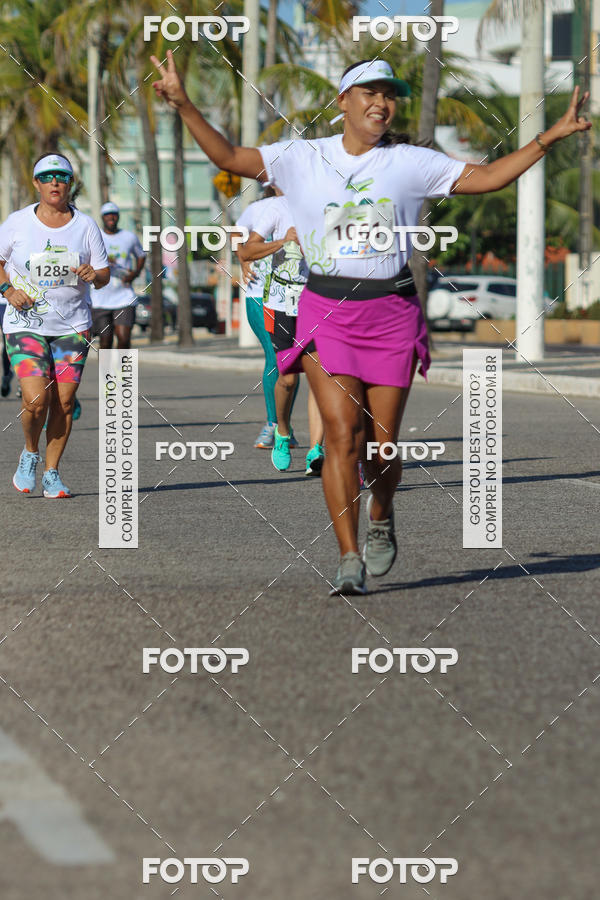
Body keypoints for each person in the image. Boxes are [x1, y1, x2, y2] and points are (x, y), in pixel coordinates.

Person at [151, 50, 591, 594]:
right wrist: (183, 104)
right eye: (370, 93)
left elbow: (491, 177)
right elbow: (228, 156)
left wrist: (549, 137)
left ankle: (381, 513)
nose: (381, 103)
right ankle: (348, 557)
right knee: (341, 435)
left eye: (389, 95)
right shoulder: (302, 157)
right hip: (326, 310)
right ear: (343, 101)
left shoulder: (410, 162)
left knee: (382, 447)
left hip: (391, 313)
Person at [0, 152, 109, 497]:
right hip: (25, 323)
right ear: (36, 183)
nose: (54, 182)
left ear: (70, 183)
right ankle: (30, 452)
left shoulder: (85, 226)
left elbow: (104, 273)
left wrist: (94, 275)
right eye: (47, 177)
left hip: (72, 325)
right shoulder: (17, 222)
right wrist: (8, 290)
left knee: (63, 401)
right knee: (36, 399)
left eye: (61, 176)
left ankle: (51, 472)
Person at [241, 194, 325, 475]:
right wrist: (283, 241)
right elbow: (247, 251)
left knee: (319, 376)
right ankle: (282, 431)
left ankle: (316, 450)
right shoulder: (278, 207)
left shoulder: (329, 203)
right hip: (281, 301)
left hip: (317, 299)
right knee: (287, 378)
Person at [235, 189, 280, 449]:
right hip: (259, 296)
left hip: (292, 297)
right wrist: (242, 260)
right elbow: (236, 234)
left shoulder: (302, 204)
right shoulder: (256, 209)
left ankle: (284, 426)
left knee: (288, 362)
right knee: (275, 356)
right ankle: (272, 423)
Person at [91, 201, 146, 350]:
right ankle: (108, 367)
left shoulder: (129, 237)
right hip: (100, 298)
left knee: (124, 338)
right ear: (102, 217)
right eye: (107, 215)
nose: (111, 218)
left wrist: (135, 274)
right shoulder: (95, 235)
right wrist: (103, 260)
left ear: (118, 217)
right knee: (105, 341)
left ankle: (124, 367)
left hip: (124, 297)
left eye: (114, 215)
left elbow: (141, 255)